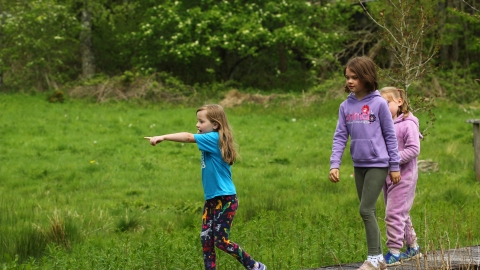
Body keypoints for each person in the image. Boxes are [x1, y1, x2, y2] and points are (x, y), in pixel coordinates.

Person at [144, 104, 266, 270]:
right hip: (212, 200)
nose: (197, 125)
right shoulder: (211, 139)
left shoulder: (214, 138)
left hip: (225, 200)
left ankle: (255, 266)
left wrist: (163, 137)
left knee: (221, 241)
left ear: (215, 125)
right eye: (197, 121)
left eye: (201, 121)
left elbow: (188, 137)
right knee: (206, 239)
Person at [329, 56, 401, 270]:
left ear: (366, 77)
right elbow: (340, 136)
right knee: (368, 211)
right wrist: (335, 164)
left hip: (378, 163)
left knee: (366, 210)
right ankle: (378, 260)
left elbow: (390, 135)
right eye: (348, 77)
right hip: (358, 164)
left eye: (355, 77)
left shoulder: (379, 103)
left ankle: (375, 258)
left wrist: (394, 166)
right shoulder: (345, 106)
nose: (350, 81)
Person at [379, 87, 423, 266]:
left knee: (393, 213)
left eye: (386, 103)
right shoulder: (384, 123)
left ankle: (394, 252)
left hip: (404, 176)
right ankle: (413, 248)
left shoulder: (408, 123)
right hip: (387, 177)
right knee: (400, 212)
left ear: (399, 102)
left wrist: (392, 160)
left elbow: (414, 149)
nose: (382, 107)